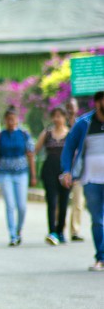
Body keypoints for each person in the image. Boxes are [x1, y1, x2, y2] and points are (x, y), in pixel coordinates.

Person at [61, 90, 104, 272]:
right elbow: (69, 146)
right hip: (91, 179)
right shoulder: (84, 123)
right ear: (97, 102)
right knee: (98, 219)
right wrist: (66, 171)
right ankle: (101, 257)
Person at [0, 107, 37, 246]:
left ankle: (18, 229)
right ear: (5, 120)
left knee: (22, 206)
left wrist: (33, 175)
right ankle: (12, 234)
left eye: (13, 118)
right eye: (8, 119)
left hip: (21, 173)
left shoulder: (24, 134)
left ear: (17, 119)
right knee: (10, 205)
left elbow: (31, 154)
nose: (11, 121)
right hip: (5, 174)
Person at [35, 107, 70, 245]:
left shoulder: (70, 133)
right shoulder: (47, 133)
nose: (57, 119)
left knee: (64, 202)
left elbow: (76, 151)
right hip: (49, 169)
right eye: (54, 116)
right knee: (52, 201)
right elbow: (35, 150)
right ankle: (52, 231)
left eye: (60, 116)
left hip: (65, 170)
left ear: (64, 117)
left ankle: (61, 230)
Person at [65, 98, 86, 242]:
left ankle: (75, 231)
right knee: (61, 201)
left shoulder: (82, 126)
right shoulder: (60, 125)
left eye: (73, 107)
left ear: (77, 108)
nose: (70, 110)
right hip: (64, 170)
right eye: (68, 107)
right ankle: (59, 229)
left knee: (78, 201)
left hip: (79, 170)